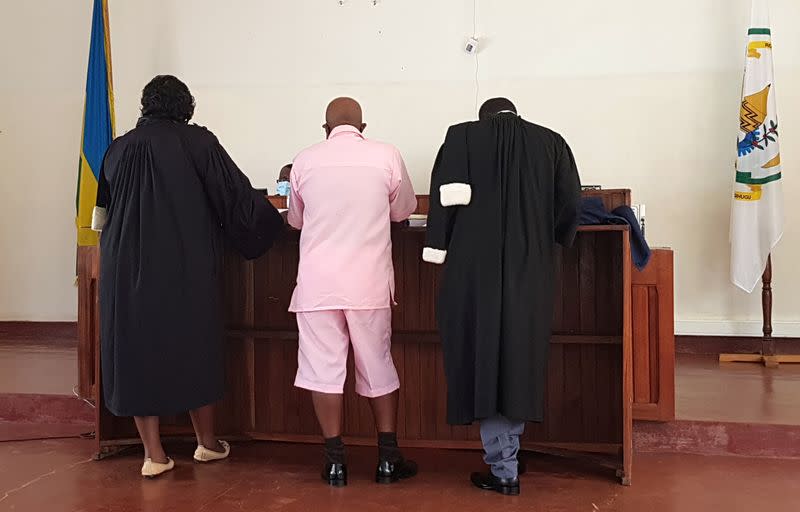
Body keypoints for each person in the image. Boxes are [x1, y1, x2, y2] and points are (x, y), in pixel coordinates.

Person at [91, 75, 284, 478]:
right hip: (184, 263)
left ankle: (154, 456)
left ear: (145, 106)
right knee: (197, 346)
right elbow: (235, 197)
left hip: (124, 267)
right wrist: (272, 222)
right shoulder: (198, 142)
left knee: (135, 351)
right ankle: (207, 445)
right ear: (186, 106)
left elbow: (100, 218)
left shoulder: (117, 147)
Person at [423, 97, 582, 495]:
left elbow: (444, 200)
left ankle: (504, 465)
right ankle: (506, 452)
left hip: (471, 268)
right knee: (519, 355)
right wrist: (554, 238)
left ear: (483, 118)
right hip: (532, 269)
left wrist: (437, 246)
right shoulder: (551, 142)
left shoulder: (460, 139)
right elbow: (570, 204)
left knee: (481, 355)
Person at [287, 97, 418, 487]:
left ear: (325, 128)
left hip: (318, 286)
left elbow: (295, 219)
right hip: (368, 284)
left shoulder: (304, 160)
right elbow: (403, 210)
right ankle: (388, 460)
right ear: (363, 127)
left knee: (322, 371)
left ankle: (334, 462)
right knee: (377, 364)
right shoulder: (386, 155)